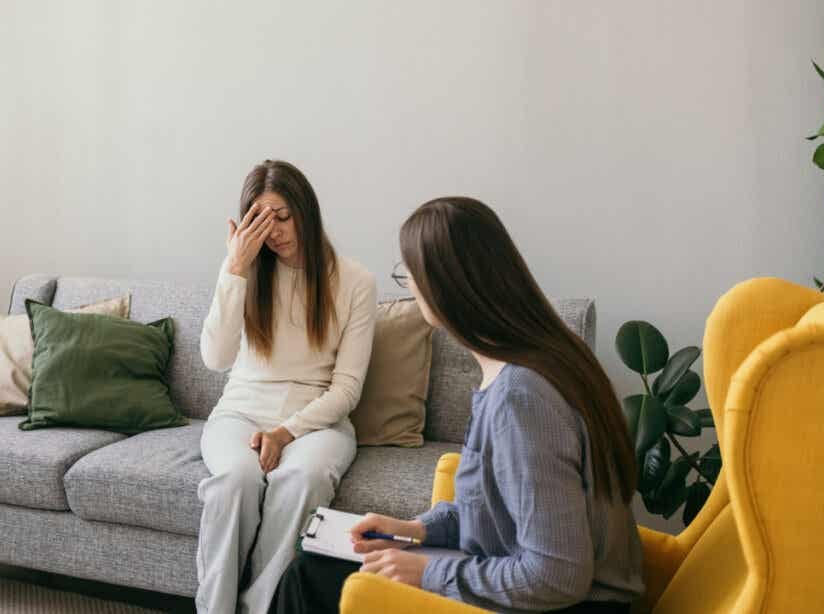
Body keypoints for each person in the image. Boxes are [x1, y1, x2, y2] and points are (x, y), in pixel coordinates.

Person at [270, 197, 644, 614]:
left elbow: (557, 575)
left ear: (442, 286)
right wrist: (413, 531)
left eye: (408, 274)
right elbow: (498, 510)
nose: (408, 285)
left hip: (566, 606)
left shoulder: (522, 398)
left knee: (309, 577)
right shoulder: (536, 360)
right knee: (319, 562)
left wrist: (425, 573)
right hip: (524, 577)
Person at [196, 159, 378, 613]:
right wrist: (234, 269)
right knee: (235, 479)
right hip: (240, 412)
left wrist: (286, 432)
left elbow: (347, 389)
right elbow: (215, 359)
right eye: (261, 220)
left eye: (282, 216)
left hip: (318, 421)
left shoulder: (356, 281)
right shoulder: (245, 270)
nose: (274, 231)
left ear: (305, 211)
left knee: (303, 478)